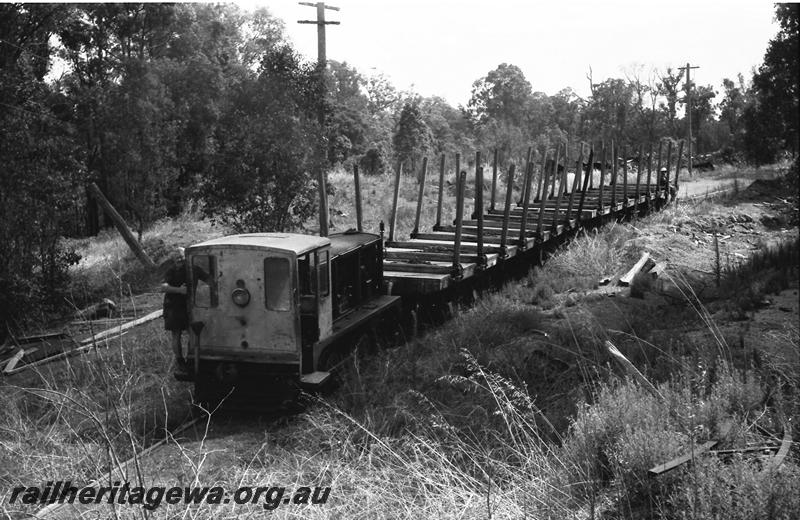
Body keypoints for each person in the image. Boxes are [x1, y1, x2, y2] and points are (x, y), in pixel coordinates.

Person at [159, 247, 189, 374]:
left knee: (193, 332)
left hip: (188, 305)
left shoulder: (190, 268)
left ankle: (192, 358)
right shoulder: (171, 270)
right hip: (173, 306)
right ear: (173, 259)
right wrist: (180, 290)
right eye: (176, 257)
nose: (179, 259)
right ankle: (180, 361)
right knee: (176, 334)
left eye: (181, 256)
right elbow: (163, 287)